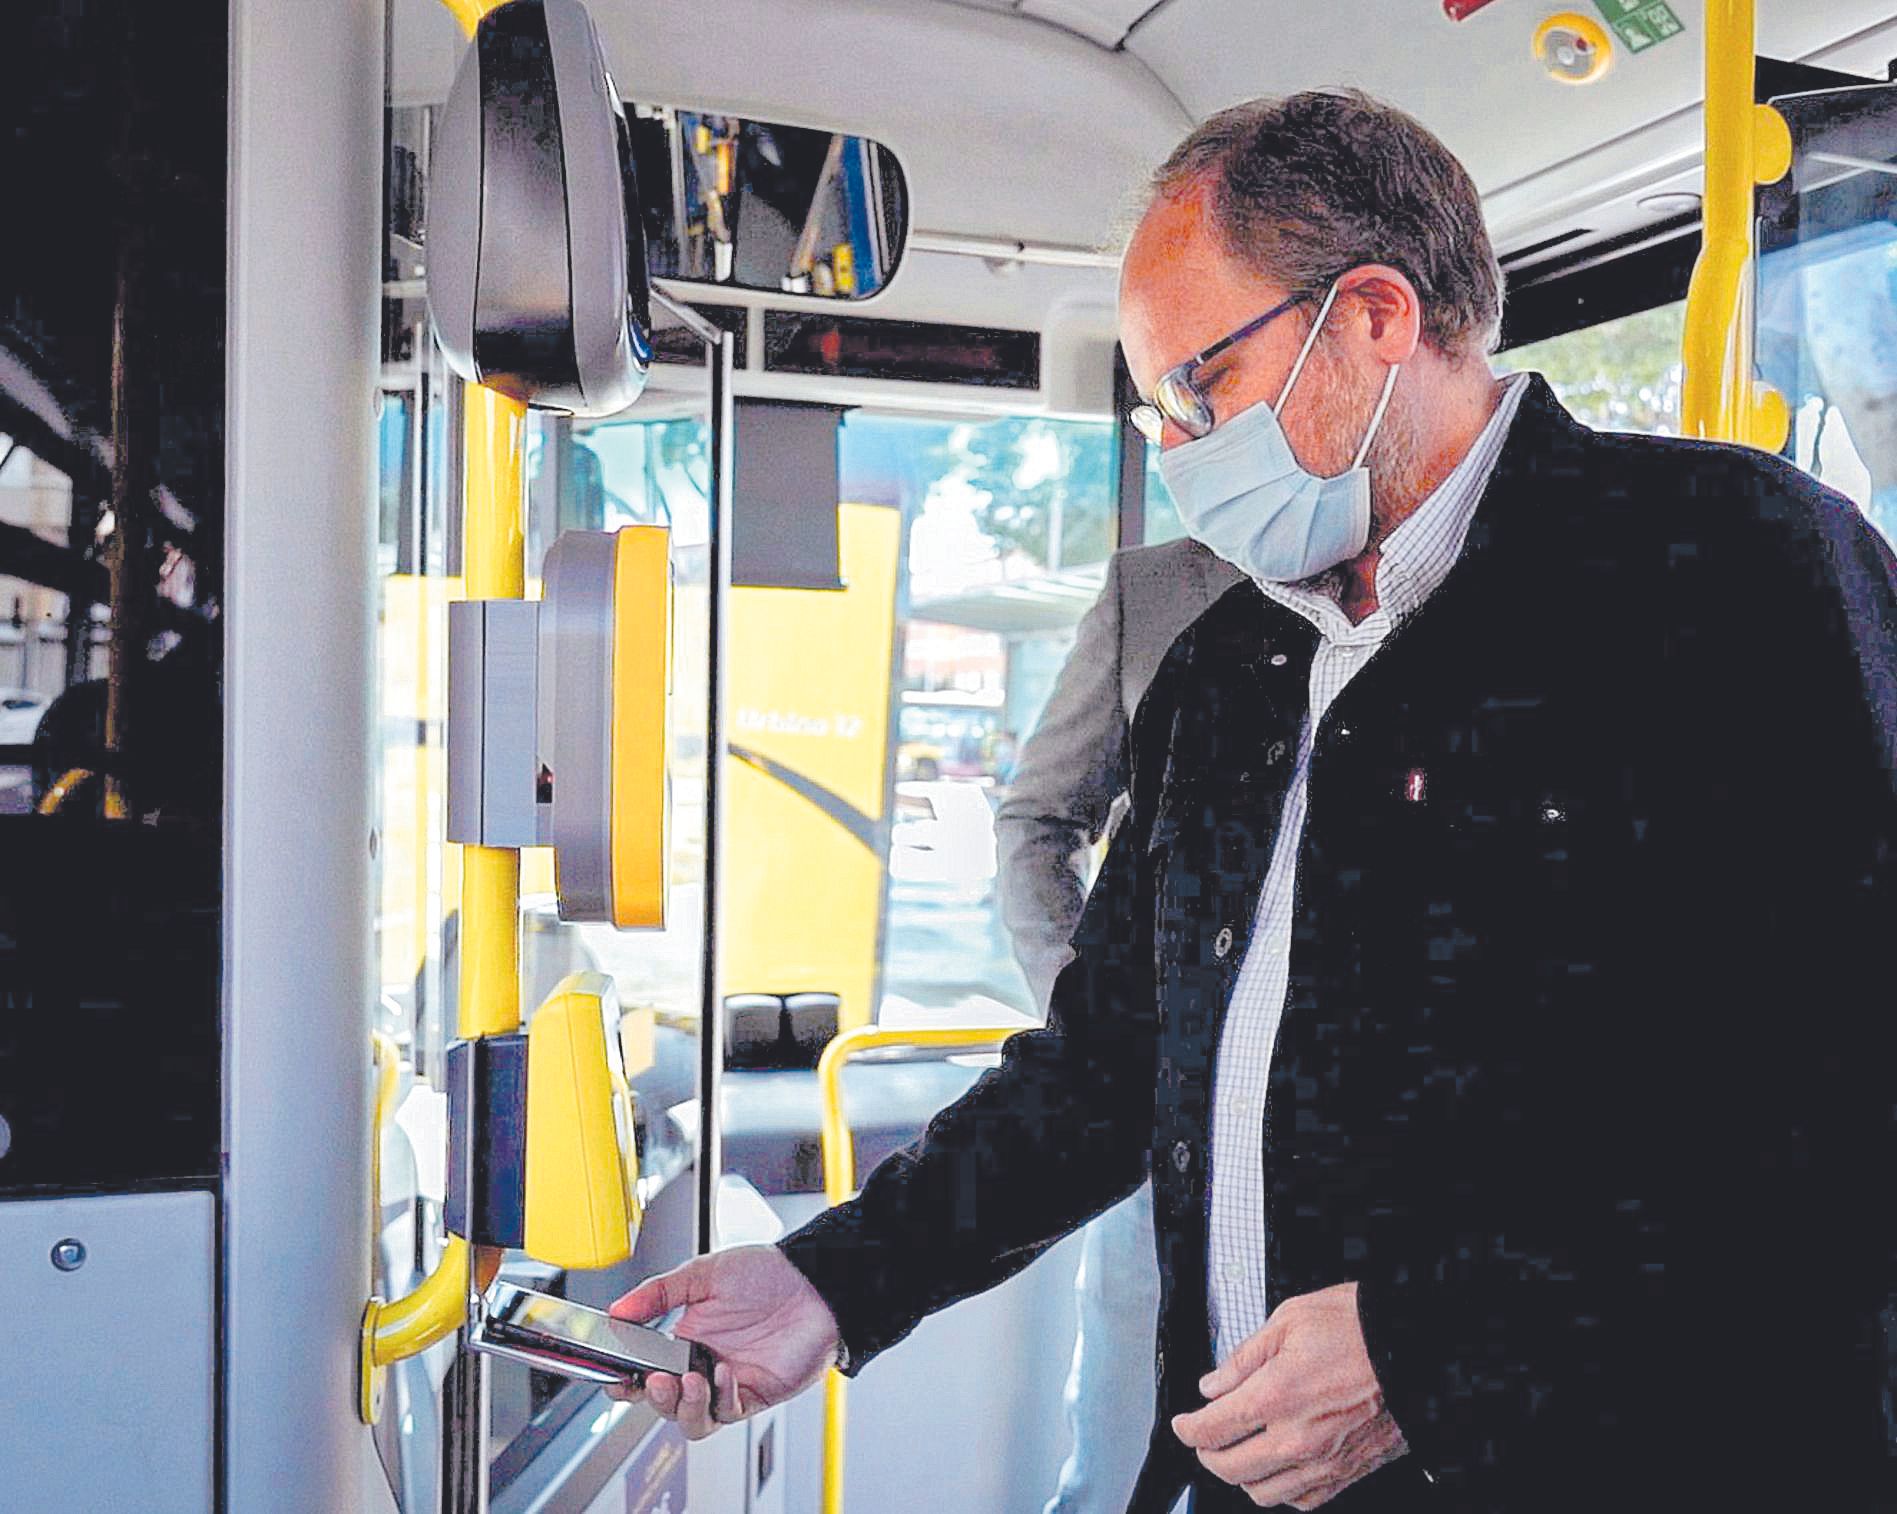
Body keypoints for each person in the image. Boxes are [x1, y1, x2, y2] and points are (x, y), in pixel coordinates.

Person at [610, 90, 1897, 1512]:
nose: (1174, 447)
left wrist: (1430, 1352)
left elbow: (1838, 1096)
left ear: (1375, 316)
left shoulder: (1730, 572)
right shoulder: (1229, 664)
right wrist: (828, 1282)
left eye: (1200, 389)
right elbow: (1108, 1061)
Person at [995, 535, 1240, 1514]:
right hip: (1163, 1136)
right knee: (1118, 1457)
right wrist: (1092, 1015)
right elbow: (1037, 819)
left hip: (1365, 1155)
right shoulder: (1156, 589)